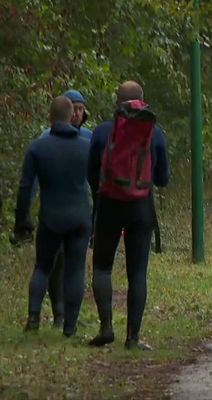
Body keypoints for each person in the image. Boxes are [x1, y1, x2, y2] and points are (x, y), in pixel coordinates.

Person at [87, 81, 169, 350]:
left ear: (117, 101)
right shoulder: (155, 133)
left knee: (102, 267)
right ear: (142, 101)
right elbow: (162, 179)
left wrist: (100, 193)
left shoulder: (101, 132)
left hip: (109, 204)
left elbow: (91, 172)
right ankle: (133, 337)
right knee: (137, 273)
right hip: (141, 209)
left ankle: (106, 327)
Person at [14, 96, 91, 337]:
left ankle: (34, 318)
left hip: (51, 217)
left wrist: (22, 219)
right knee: (76, 270)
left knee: (43, 267)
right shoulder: (86, 147)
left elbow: (25, 187)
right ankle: (70, 326)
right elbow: (98, 183)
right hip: (80, 217)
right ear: (71, 117)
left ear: (51, 117)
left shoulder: (38, 147)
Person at [36, 89, 93, 328]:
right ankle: (59, 313)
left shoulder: (89, 139)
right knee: (54, 261)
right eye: (74, 109)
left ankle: (71, 316)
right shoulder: (45, 138)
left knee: (74, 263)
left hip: (79, 208)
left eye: (81, 109)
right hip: (54, 207)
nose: (77, 114)